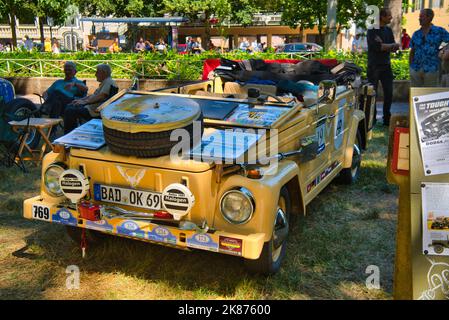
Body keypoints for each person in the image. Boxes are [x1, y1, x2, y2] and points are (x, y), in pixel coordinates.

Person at [367, 8, 400, 126]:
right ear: (382, 16)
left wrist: (387, 45)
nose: (391, 18)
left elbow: (395, 47)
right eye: (389, 16)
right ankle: (373, 119)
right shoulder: (372, 30)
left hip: (386, 66)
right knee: (372, 94)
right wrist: (389, 46)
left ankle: (387, 119)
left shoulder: (388, 30)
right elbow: (378, 47)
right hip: (374, 66)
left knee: (389, 93)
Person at [63, 64, 117, 134]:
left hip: (94, 111)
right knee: (70, 106)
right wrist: (81, 100)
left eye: (97, 72)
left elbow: (102, 96)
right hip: (91, 107)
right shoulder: (105, 82)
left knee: (70, 110)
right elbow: (94, 95)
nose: (95, 74)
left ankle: (69, 134)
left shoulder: (109, 81)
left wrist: (85, 102)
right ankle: (71, 133)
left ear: (104, 73)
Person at [409, 8, 449, 87]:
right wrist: (411, 67)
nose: (419, 18)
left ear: (429, 17)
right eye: (419, 16)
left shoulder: (439, 31)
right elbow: (412, 51)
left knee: (430, 96)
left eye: (421, 16)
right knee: (416, 96)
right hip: (416, 69)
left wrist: (442, 49)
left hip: (432, 69)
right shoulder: (416, 34)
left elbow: (448, 41)